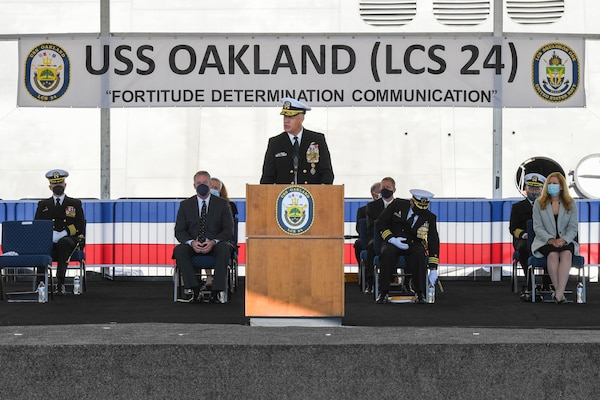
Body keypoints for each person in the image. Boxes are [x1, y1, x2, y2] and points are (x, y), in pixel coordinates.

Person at [173, 170, 235, 303]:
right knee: (179, 250)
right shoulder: (185, 205)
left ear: (210, 183)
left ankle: (216, 291)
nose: (202, 185)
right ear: (194, 186)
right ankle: (194, 289)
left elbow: (228, 230)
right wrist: (191, 242)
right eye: (199, 183)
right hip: (194, 244)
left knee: (225, 248)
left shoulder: (222, 204)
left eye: (205, 183)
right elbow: (179, 231)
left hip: (216, 244)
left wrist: (213, 242)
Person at [376, 189, 440, 304]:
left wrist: (433, 267)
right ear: (412, 202)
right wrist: (391, 238)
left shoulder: (430, 217)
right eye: (418, 207)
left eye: (424, 208)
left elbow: (433, 239)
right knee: (387, 253)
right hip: (394, 240)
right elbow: (381, 222)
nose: (421, 210)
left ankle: (420, 292)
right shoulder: (397, 205)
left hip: (413, 243)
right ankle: (383, 292)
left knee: (419, 254)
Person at [260, 97, 334, 185]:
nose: (286, 121)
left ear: (301, 118)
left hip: (311, 196)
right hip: (284, 197)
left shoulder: (317, 140)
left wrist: (321, 193)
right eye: (285, 116)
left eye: (290, 117)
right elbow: (267, 178)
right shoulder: (275, 143)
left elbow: (327, 173)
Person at [34, 169, 85, 294]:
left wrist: (64, 233)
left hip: (69, 239)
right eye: (55, 184)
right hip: (49, 239)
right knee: (41, 245)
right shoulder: (43, 205)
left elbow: (80, 224)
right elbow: (38, 225)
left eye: (60, 184)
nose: (58, 186)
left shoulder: (74, 203)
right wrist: (50, 235)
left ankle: (60, 282)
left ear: (65, 185)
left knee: (64, 243)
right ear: (50, 187)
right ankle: (41, 284)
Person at [531, 172, 579, 304]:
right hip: (545, 241)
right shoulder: (538, 203)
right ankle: (560, 294)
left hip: (565, 240)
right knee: (552, 255)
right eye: (550, 184)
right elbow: (538, 227)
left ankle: (558, 294)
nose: (552, 186)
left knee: (566, 254)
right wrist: (551, 240)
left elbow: (573, 227)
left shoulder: (571, 203)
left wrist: (564, 240)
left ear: (562, 186)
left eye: (555, 184)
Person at [509, 172, 548, 295]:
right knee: (525, 250)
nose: (534, 191)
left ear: (542, 189)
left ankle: (548, 285)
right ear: (525, 189)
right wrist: (525, 235)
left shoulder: (548, 207)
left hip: (543, 239)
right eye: (531, 188)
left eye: (537, 189)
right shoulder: (517, 207)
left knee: (551, 249)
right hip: (524, 239)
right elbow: (513, 228)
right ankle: (530, 284)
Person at [364, 177, 396, 293]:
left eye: (388, 187)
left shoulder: (401, 205)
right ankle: (370, 282)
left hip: (396, 238)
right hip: (378, 238)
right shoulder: (372, 207)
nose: (385, 190)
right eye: (383, 188)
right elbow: (371, 227)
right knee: (371, 247)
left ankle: (407, 282)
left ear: (394, 189)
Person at [354, 182, 381, 271]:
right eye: (380, 193)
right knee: (359, 244)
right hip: (370, 238)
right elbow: (359, 229)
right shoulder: (363, 210)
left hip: (387, 238)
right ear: (373, 195)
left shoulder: (391, 208)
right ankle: (366, 273)